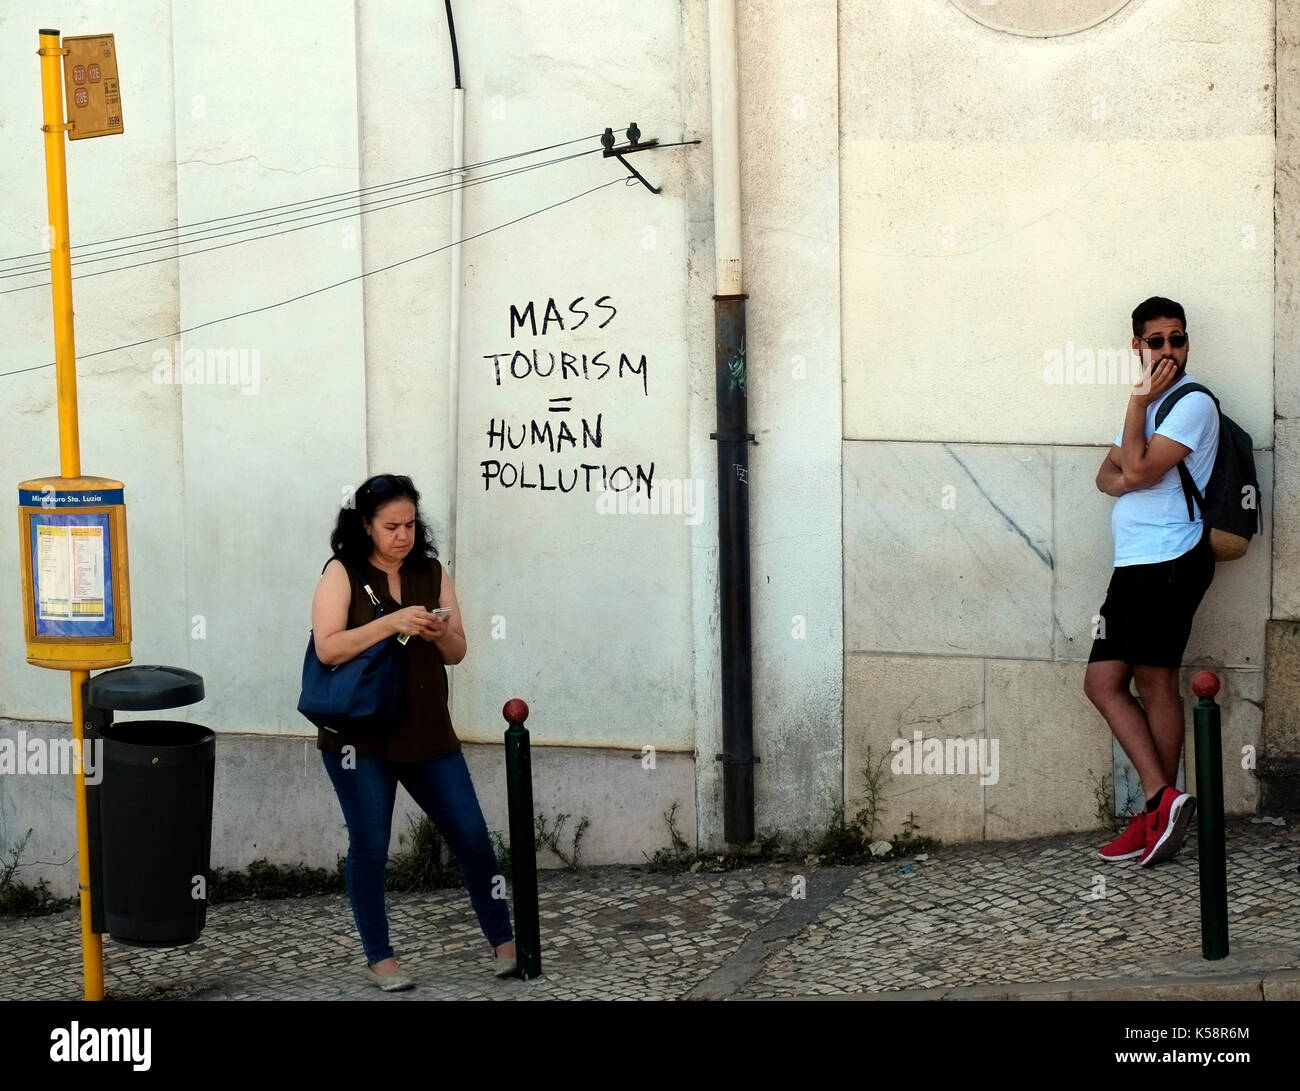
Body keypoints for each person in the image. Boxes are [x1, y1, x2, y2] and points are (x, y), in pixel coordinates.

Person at [311, 473, 516, 989]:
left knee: (472, 838)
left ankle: (506, 942)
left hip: (427, 731)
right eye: (390, 526)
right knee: (370, 848)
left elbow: (457, 653)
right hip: (361, 737)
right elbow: (328, 649)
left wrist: (442, 631)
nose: (402, 535)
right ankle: (380, 958)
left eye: (409, 524)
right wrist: (392, 622)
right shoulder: (343, 572)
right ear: (365, 526)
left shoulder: (430, 571)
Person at [1085, 297, 1220, 868]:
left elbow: (1134, 472)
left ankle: (1156, 814)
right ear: (1137, 345)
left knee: (1156, 684)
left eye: (1178, 339)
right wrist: (1136, 430)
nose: (1169, 350)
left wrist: (1137, 408)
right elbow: (1104, 478)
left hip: (1171, 557)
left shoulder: (1191, 405)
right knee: (1102, 680)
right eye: (1157, 341)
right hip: (1135, 561)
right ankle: (1162, 802)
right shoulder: (1148, 405)